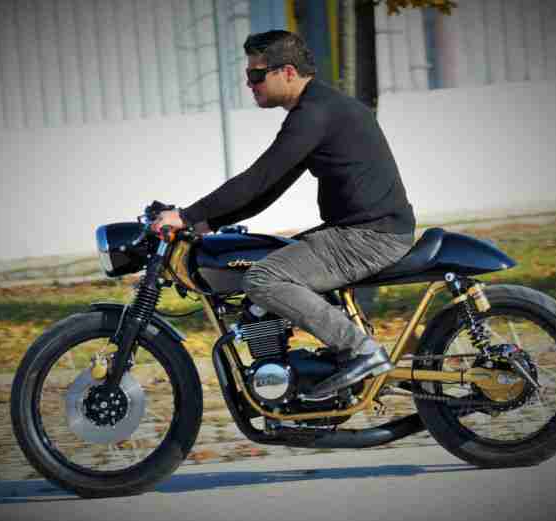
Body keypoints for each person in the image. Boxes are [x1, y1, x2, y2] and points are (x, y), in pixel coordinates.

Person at [151, 30, 415, 396]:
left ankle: (361, 351)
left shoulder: (315, 114)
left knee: (263, 279)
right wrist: (206, 222)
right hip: (361, 230)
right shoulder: (318, 110)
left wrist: (185, 215)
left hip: (370, 236)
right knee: (266, 267)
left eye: (256, 75)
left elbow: (256, 178)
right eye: (248, 75)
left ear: (287, 72)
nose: (250, 84)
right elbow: (269, 188)